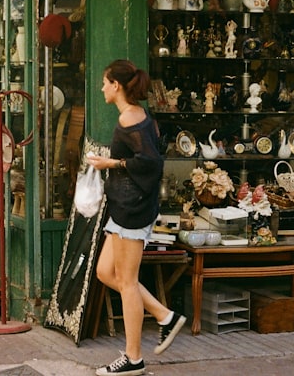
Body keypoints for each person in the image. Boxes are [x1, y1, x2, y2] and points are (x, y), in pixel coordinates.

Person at [86, 59, 185, 375]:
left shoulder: (129, 119)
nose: (102, 87)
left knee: (127, 282)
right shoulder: (139, 117)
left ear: (116, 85)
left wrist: (111, 164)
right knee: (105, 271)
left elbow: (150, 164)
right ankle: (163, 315)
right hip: (125, 207)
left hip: (132, 210)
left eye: (105, 82)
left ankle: (133, 359)